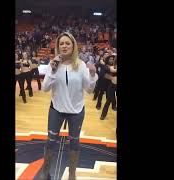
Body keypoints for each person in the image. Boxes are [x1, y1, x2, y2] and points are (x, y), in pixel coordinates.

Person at [40, 32, 98, 180]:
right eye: (61, 44)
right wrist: (53, 70)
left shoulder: (81, 65)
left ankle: (72, 174)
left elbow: (89, 90)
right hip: (56, 109)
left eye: (67, 43)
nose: (64, 46)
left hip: (76, 111)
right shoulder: (53, 64)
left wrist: (92, 75)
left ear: (73, 46)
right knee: (50, 142)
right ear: (58, 47)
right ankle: (45, 172)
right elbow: (45, 88)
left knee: (74, 142)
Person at [100, 55, 117, 120]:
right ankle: (103, 115)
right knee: (108, 101)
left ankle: (114, 107)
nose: (112, 60)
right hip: (112, 85)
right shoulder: (112, 67)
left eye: (113, 59)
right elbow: (111, 70)